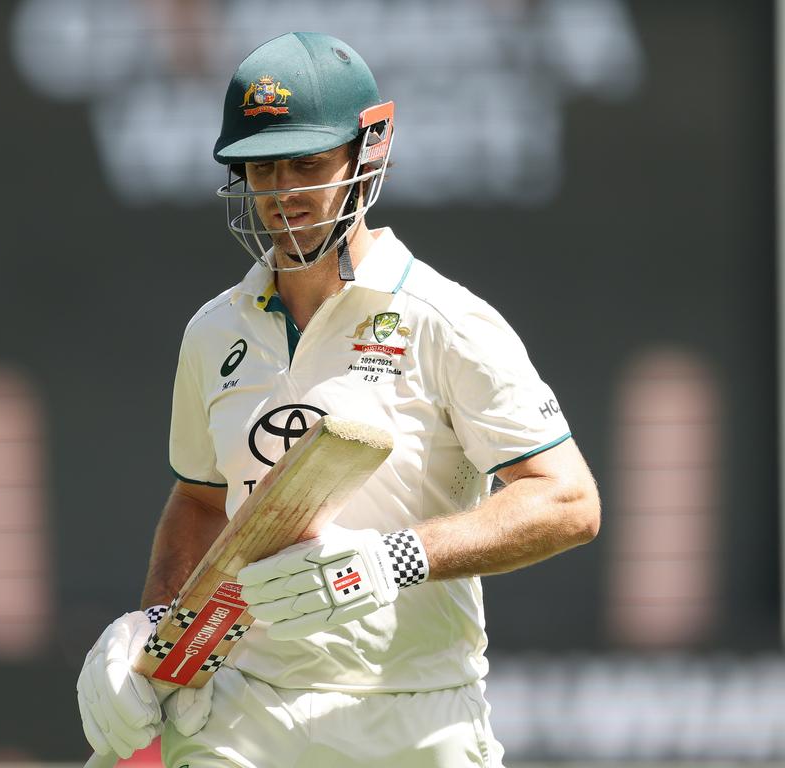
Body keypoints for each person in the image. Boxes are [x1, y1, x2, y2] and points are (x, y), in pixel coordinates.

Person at [77, 31, 601, 768]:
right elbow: (201, 500)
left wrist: (394, 559)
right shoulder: (213, 331)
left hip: (414, 712)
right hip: (244, 713)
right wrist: (158, 629)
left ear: (370, 150)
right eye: (261, 169)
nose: (283, 194)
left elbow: (568, 503)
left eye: (307, 163)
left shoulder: (445, 321)